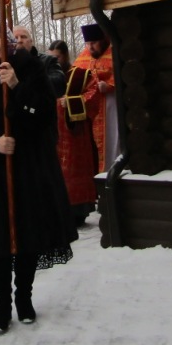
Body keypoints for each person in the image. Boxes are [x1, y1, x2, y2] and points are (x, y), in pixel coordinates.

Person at [0, 20, 77, 333]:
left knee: (27, 236)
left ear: (8, 41)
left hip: (29, 169)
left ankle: (24, 296)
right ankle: (1, 304)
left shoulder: (30, 69)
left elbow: (45, 115)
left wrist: (16, 86)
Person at [49, 40, 99, 225]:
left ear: (65, 56)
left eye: (57, 57)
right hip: (55, 132)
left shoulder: (80, 75)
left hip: (75, 135)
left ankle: (79, 212)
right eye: (51, 57)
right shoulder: (48, 76)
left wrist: (70, 102)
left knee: (76, 172)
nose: (54, 61)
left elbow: (93, 96)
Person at [73, 23, 118, 173]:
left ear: (103, 40)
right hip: (91, 110)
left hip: (111, 106)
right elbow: (74, 77)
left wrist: (110, 85)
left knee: (112, 139)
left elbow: (123, 75)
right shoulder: (84, 56)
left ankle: (112, 169)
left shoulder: (114, 53)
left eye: (94, 43)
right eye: (88, 43)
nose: (90, 47)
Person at [12, 25, 66, 98]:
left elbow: (59, 85)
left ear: (31, 41)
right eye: (15, 38)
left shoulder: (48, 61)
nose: (19, 41)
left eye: (23, 37)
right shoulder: (6, 63)